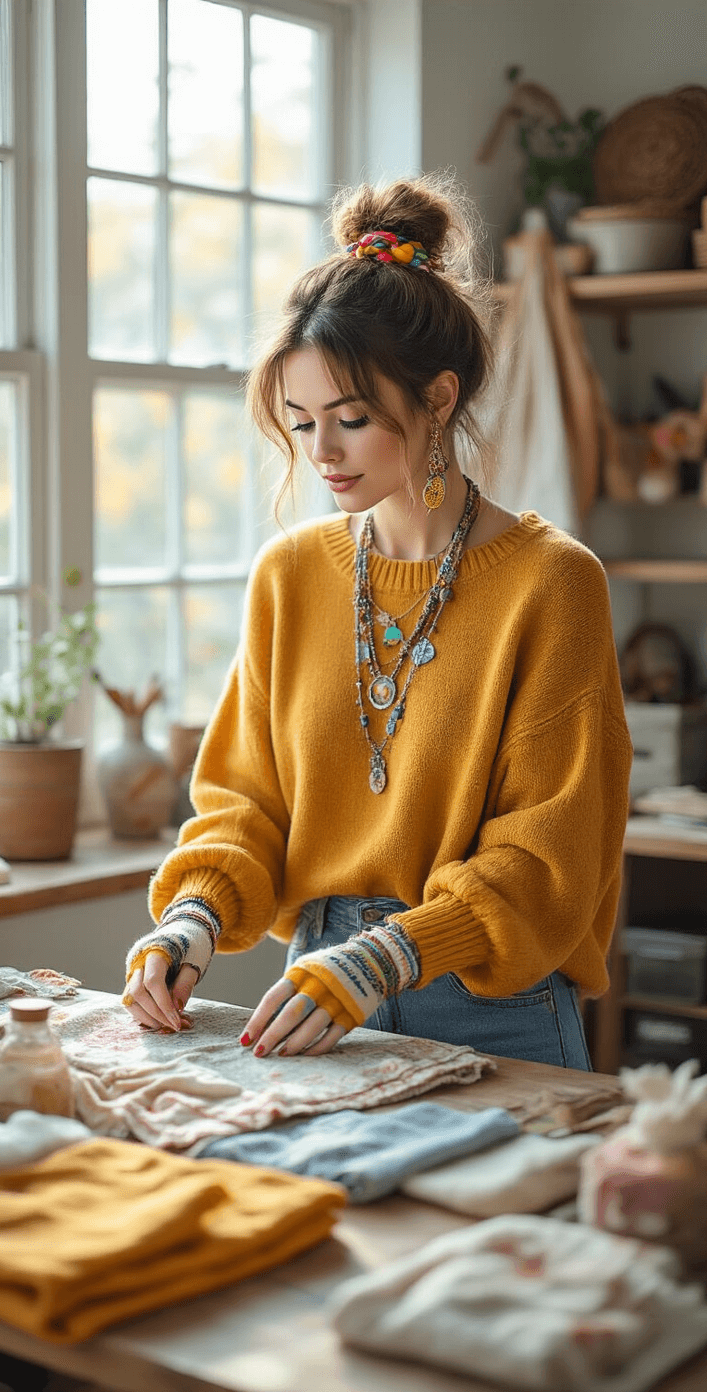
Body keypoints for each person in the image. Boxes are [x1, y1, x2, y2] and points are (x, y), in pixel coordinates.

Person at [122, 173, 632, 1071]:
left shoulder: (555, 584)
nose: (321, 452)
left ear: (437, 399)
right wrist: (192, 916)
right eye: (301, 421)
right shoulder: (290, 575)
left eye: (351, 419)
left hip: (492, 1003)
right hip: (314, 991)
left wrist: (391, 955)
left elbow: (552, 854)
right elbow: (246, 801)